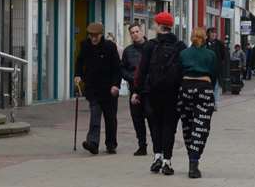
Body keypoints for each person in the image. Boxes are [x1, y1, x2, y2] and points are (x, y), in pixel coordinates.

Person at [136, 12, 185, 175]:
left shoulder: (150, 45)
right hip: (173, 93)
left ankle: (157, 156)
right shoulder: (180, 46)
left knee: (154, 125)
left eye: (155, 24)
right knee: (169, 127)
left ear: (159, 25)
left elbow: (141, 71)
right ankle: (167, 161)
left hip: (152, 93)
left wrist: (137, 91)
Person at [73, 22, 122, 155]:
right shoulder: (85, 45)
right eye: (91, 35)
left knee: (110, 118)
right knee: (95, 116)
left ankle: (111, 144)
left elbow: (117, 68)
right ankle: (93, 143)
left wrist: (116, 85)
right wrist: (78, 75)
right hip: (93, 88)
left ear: (101, 35)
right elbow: (80, 61)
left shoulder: (110, 47)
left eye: (96, 36)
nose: (93, 38)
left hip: (109, 89)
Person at [178, 27, 219, 178]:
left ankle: (191, 156)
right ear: (205, 38)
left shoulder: (183, 54)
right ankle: (194, 162)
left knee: (188, 124)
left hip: (186, 88)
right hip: (204, 88)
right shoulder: (210, 54)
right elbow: (214, 74)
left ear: (191, 37)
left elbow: (178, 72)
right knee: (201, 126)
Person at [121, 22, 151, 156]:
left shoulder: (152, 48)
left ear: (142, 32)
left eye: (137, 31)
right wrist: (132, 78)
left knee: (152, 118)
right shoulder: (128, 51)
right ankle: (142, 145)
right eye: (132, 33)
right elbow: (122, 69)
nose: (135, 34)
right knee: (137, 119)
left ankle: (157, 145)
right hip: (134, 90)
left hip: (149, 90)